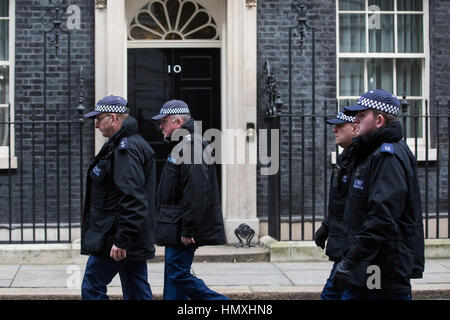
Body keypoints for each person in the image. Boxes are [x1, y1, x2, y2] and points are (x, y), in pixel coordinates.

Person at [331, 89, 425, 300]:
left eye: (362, 115)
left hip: (380, 267)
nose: (356, 119)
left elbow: (382, 218)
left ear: (379, 120)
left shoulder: (386, 157)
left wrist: (350, 261)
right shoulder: (371, 152)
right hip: (369, 264)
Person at [80, 95, 156, 300]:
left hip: (115, 237)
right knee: (136, 290)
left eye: (98, 119)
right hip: (130, 235)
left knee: (92, 287)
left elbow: (134, 199)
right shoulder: (126, 144)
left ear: (113, 118)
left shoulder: (126, 149)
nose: (96, 125)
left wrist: (122, 240)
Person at [152, 99, 228, 300]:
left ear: (177, 122)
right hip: (174, 224)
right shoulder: (183, 144)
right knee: (173, 278)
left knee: (178, 275)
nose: (160, 126)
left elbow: (196, 191)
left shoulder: (191, 145)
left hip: (180, 226)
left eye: (164, 121)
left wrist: (189, 229)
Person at [315, 110, 357, 300]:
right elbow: (340, 202)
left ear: (354, 128)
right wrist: (327, 225)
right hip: (345, 245)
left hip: (352, 249)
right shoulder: (346, 157)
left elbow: (356, 207)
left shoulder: (360, 160)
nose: (334, 130)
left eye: (340, 126)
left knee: (331, 295)